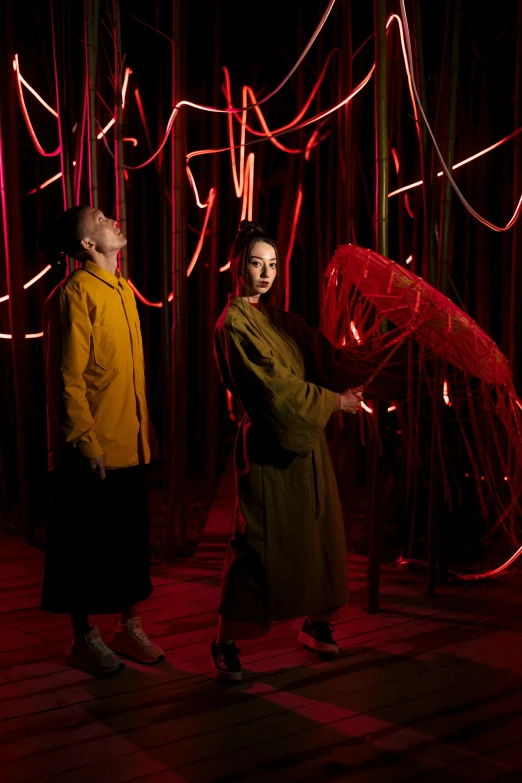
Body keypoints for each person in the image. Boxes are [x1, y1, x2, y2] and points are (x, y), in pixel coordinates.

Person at [211, 220, 400, 681]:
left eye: (272, 265)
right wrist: (336, 402)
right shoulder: (234, 324)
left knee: (320, 536)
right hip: (271, 448)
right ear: (237, 266)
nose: (265, 273)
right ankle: (226, 640)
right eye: (256, 263)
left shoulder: (279, 320)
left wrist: (385, 348)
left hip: (307, 448)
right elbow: (275, 393)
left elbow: (324, 357)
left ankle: (317, 624)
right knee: (259, 544)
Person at [39, 205, 164, 677]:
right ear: (88, 245)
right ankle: (83, 638)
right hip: (93, 447)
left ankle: (127, 627)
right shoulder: (74, 294)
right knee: (83, 546)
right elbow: (67, 378)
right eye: (100, 219)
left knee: (128, 542)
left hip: (130, 441)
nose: (112, 219)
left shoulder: (124, 290)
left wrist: (145, 428)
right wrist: (84, 440)